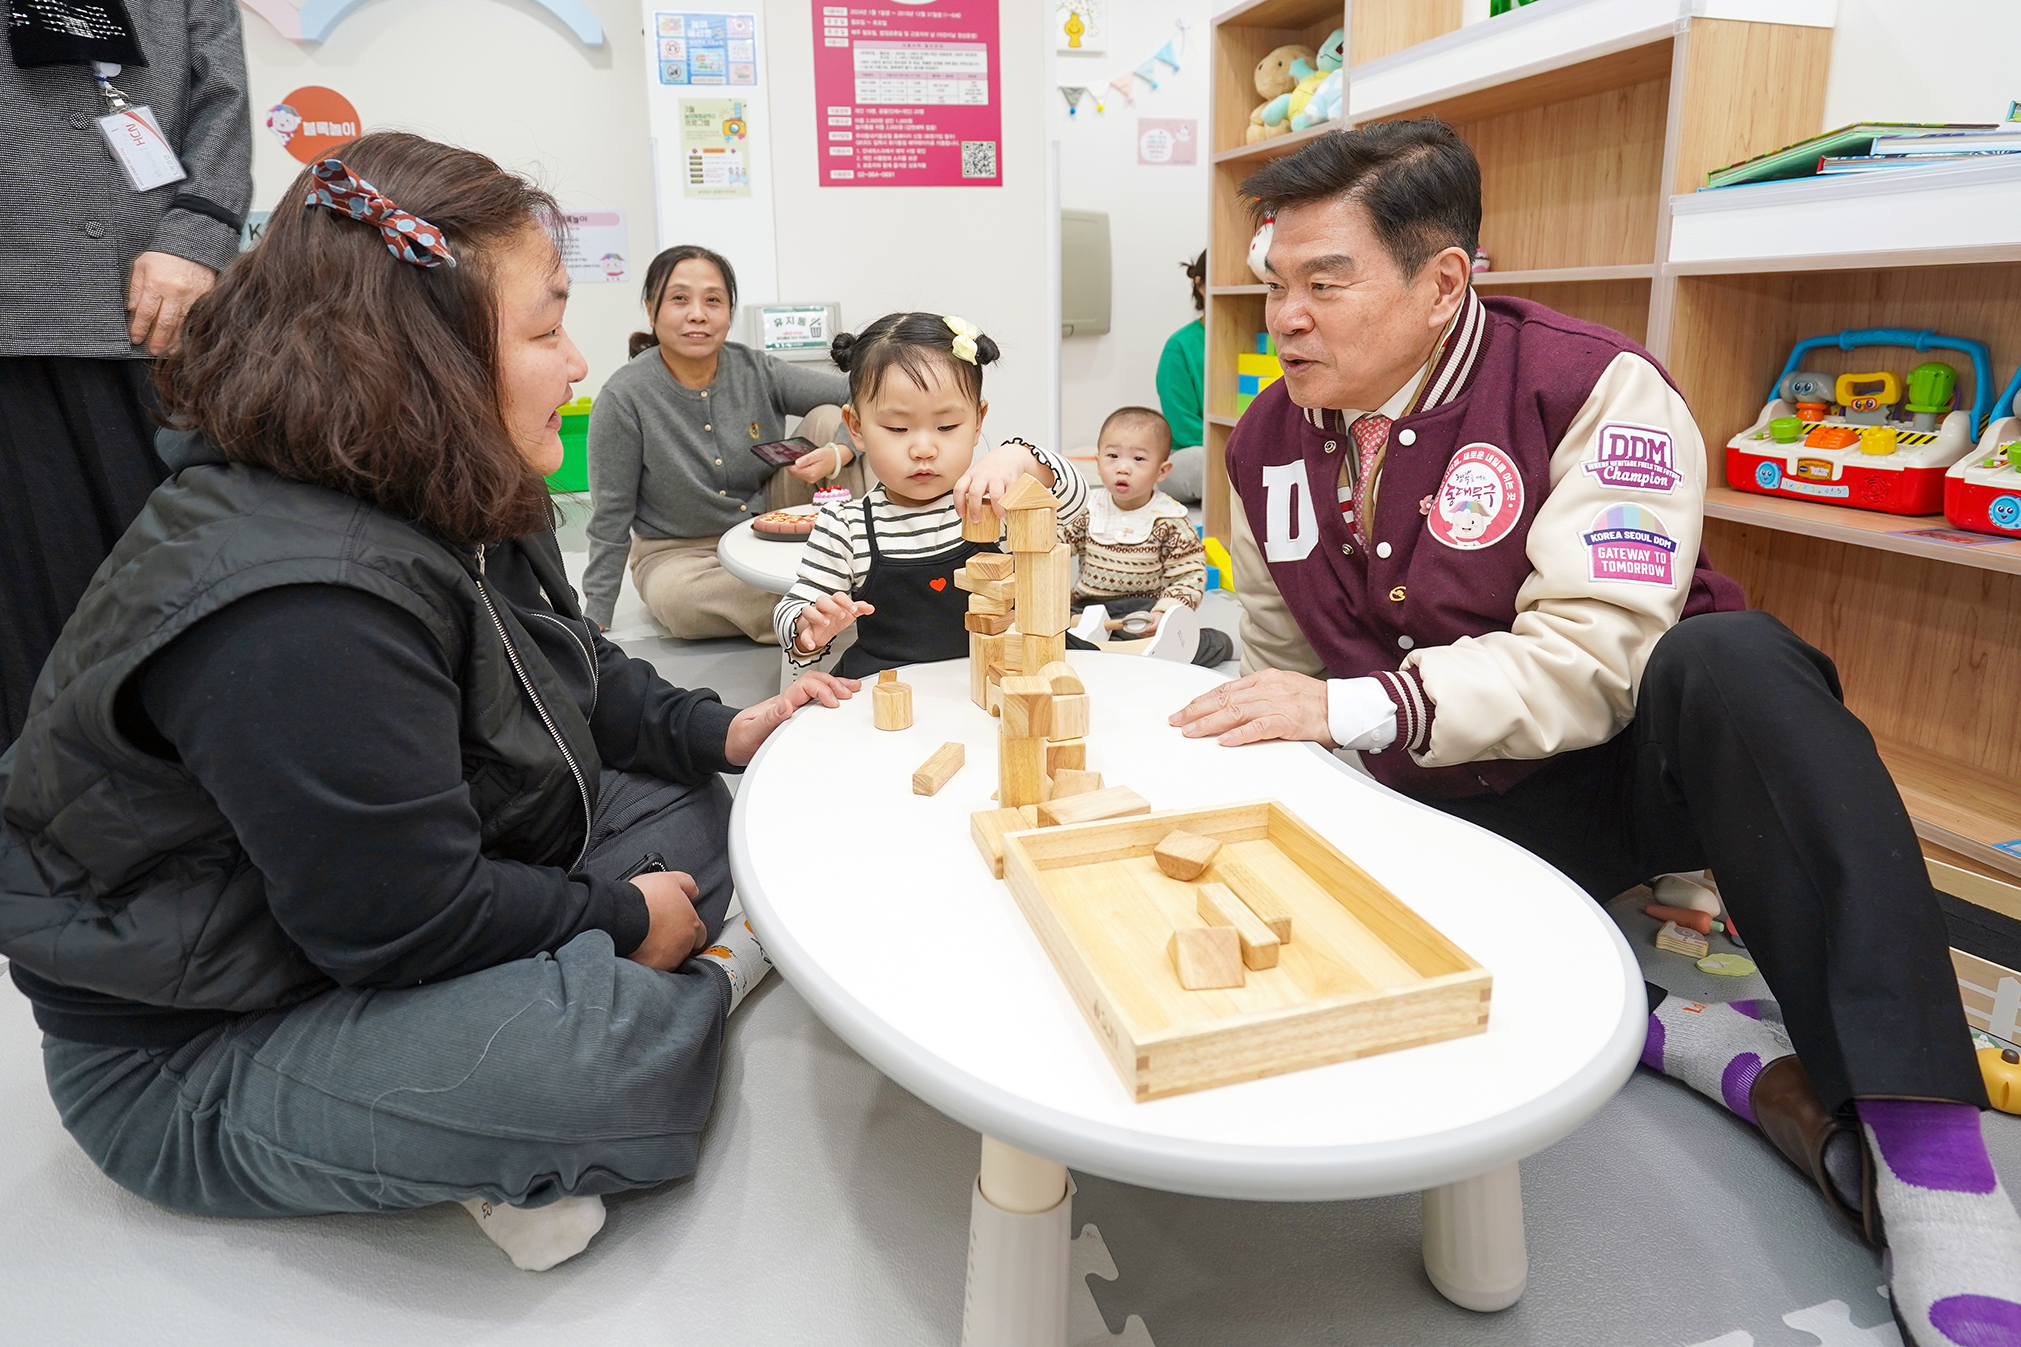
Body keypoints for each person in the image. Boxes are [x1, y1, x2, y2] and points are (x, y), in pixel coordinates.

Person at [1167, 120, 2018, 1347]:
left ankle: (1931, 1159)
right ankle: (1683, 1033)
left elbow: (1594, 656)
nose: (1284, 318)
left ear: (1440, 278)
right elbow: (1278, 667)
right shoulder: (1260, 449)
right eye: (1272, 286)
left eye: (1323, 282)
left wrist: (1347, 709)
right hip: (1437, 807)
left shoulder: (1589, 386)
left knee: (1734, 659)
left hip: (1620, 776)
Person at [0, 132, 857, 1274]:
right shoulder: (300, 602)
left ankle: (643, 978)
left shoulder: (428, 478)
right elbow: (392, 925)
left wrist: (721, 728)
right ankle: (690, 973)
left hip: (354, 915)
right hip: (202, 1037)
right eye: (545, 328)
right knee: (601, 1072)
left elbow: (572, 669)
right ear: (428, 356)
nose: (575, 363)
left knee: (702, 801)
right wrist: (614, 923)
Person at [0, 0, 252, 743]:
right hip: (15, 334)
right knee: (37, 617)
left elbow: (223, 95)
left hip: (162, 325)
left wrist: (196, 233)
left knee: (198, 588)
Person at [773, 312, 1087, 677]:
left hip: (1008, 672)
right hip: (895, 682)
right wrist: (806, 626)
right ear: (856, 428)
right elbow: (794, 604)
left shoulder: (995, 499)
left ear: (978, 421)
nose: (924, 448)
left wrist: (1018, 456)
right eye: (898, 427)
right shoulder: (846, 525)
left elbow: (1075, 502)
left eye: (946, 426)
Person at [584, 245, 863, 640]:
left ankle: (850, 564)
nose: (697, 313)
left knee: (835, 419)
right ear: (651, 309)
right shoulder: (623, 398)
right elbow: (610, 514)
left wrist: (841, 448)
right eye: (679, 299)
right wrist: (595, 612)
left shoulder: (756, 368)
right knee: (679, 602)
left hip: (772, 523)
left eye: (713, 300)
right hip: (680, 553)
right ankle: (830, 603)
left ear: (729, 312)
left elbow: (865, 390)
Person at [1060, 406, 1231, 668]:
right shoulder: (1087, 509)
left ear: (1162, 471)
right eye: (1113, 456)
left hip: (1143, 613)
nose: (1123, 468)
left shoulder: (1169, 519)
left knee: (1182, 646)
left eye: (1138, 459)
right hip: (1087, 609)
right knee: (1055, 636)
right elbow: (1057, 545)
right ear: (1098, 462)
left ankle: (1216, 643)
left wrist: (1163, 612)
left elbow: (1189, 573)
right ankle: (1109, 652)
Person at [1154, 250, 1207, 504]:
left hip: (1247, 451)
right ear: (1200, 286)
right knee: (1204, 461)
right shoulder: (1180, 345)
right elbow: (1183, 427)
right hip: (1186, 452)